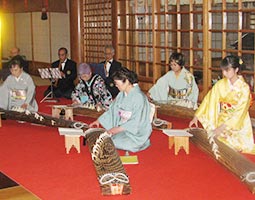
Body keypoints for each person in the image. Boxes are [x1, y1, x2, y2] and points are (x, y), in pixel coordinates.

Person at [189, 55, 255, 154]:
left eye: (227, 70)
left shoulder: (244, 88)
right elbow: (209, 100)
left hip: (238, 122)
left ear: (236, 69)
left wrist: (222, 127)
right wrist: (196, 116)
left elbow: (239, 112)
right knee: (215, 139)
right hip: (222, 117)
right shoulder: (220, 84)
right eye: (223, 70)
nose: (224, 73)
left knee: (233, 144)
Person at [89, 67, 152, 152]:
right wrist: (98, 121)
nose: (116, 85)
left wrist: (117, 129)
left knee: (109, 142)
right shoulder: (121, 94)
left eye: (116, 83)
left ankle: (142, 143)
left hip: (136, 133)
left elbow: (137, 121)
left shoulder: (139, 97)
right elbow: (112, 110)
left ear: (126, 81)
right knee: (106, 140)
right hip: (123, 129)